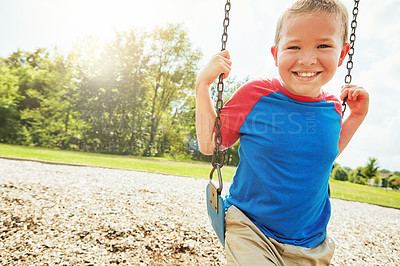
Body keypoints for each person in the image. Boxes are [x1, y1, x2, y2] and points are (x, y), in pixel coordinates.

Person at [195, 0, 369, 265]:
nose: (308, 59)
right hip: (250, 228)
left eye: (323, 45)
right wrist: (203, 85)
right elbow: (210, 144)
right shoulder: (256, 96)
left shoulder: (333, 107)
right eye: (294, 46)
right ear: (276, 54)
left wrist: (356, 116)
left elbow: (325, 154)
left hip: (311, 243)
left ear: (342, 54)